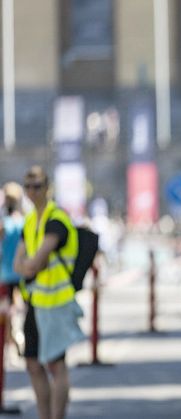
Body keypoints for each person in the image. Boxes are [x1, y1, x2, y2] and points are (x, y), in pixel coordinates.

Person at [13, 166, 85, 419]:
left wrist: (27, 265)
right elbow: (18, 263)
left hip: (56, 301)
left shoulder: (57, 219)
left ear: (48, 187)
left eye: (38, 185)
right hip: (35, 300)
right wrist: (27, 266)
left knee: (55, 365)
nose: (32, 190)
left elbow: (34, 262)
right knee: (32, 363)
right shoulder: (31, 220)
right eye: (28, 186)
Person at [1, 182, 26, 352]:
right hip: (21, 272)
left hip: (5, 274)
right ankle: (17, 333)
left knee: (6, 308)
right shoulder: (23, 222)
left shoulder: (4, 225)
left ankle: (11, 337)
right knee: (20, 305)